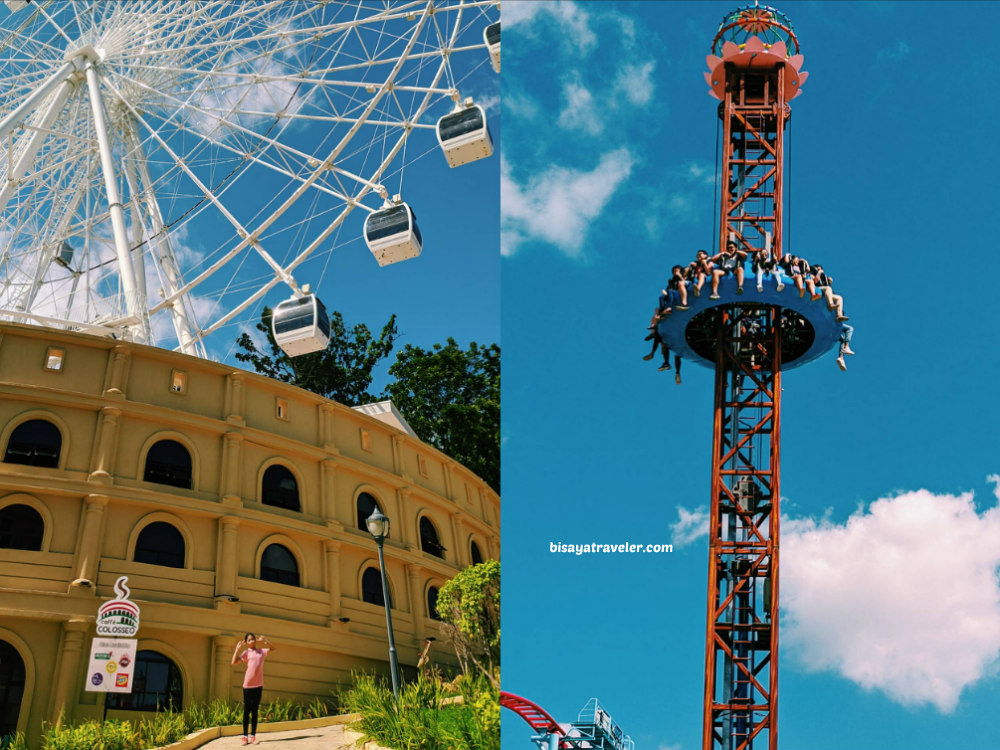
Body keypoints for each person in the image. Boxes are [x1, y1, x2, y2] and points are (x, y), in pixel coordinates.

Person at [232, 633, 276, 745]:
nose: (252, 641)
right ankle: (244, 736)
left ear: (255, 640)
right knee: (247, 711)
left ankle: (253, 736)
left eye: (253, 639)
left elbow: (273, 648)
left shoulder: (261, 651)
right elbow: (233, 662)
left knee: (255, 711)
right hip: (247, 685)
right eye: (249, 640)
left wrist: (266, 640)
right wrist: (237, 649)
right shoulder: (246, 653)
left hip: (258, 685)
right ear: (246, 642)